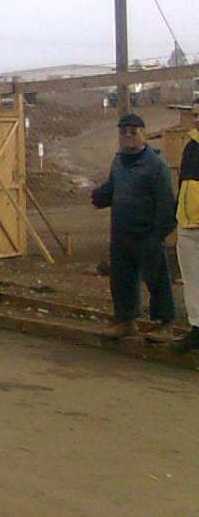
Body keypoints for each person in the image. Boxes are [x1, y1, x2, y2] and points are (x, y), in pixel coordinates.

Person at [90, 112, 177, 343]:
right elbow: (112, 187)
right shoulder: (118, 161)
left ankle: (165, 324)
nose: (128, 136)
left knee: (156, 279)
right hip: (121, 234)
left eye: (133, 132)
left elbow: (166, 202)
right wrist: (98, 197)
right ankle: (126, 321)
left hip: (147, 234)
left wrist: (159, 234)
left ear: (144, 134)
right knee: (121, 279)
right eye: (123, 132)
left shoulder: (155, 166)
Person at [172, 101, 199, 354]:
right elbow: (184, 183)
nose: (197, 119)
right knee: (192, 282)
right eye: (195, 115)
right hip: (188, 225)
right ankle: (197, 329)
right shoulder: (190, 146)